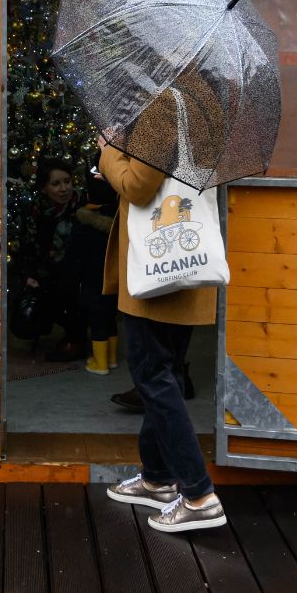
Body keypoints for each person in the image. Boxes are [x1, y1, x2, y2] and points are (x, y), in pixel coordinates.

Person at [98, 138, 225, 532]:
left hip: (156, 275)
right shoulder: (203, 109)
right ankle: (155, 479)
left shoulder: (160, 110)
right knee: (164, 373)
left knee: (153, 378)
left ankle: (199, 494)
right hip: (182, 273)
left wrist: (107, 153)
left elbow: (138, 185)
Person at [13, 160, 87, 361]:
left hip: (80, 269)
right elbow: (27, 245)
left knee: (71, 288)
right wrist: (29, 275)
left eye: (67, 181)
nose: (64, 189)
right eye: (56, 184)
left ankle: (76, 341)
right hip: (47, 269)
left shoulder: (83, 205)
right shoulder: (36, 210)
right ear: (44, 188)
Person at [71, 172, 120, 375]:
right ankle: (112, 358)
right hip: (114, 280)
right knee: (111, 319)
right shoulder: (118, 217)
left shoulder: (84, 222)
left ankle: (100, 364)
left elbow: (76, 256)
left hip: (92, 281)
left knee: (97, 321)